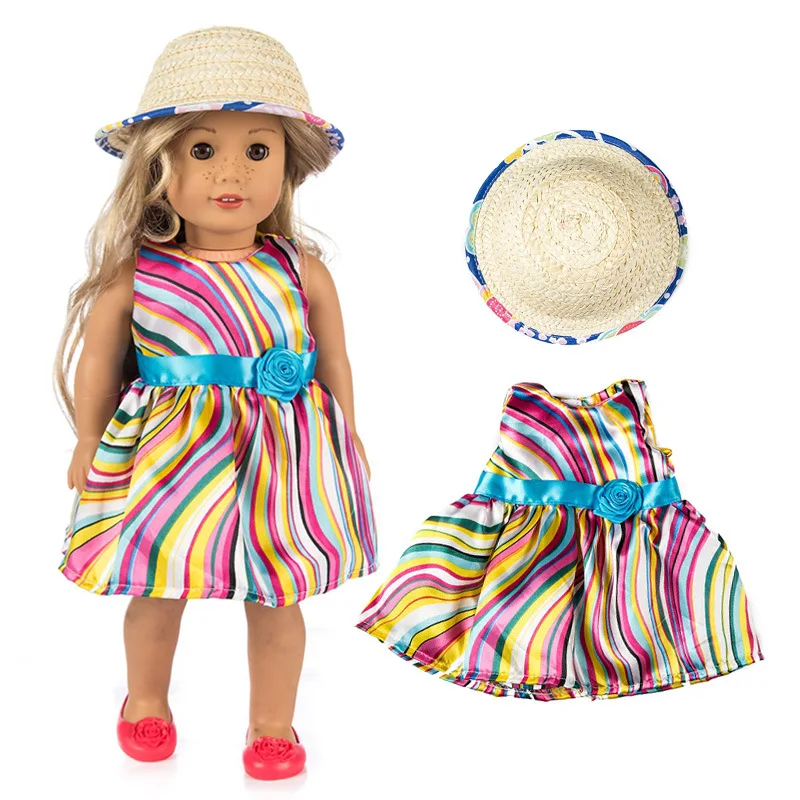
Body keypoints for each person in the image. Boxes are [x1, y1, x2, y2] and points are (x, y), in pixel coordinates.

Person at [54, 26, 377, 781]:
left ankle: (273, 724)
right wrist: (88, 440)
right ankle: (145, 700)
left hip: (282, 455)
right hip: (172, 456)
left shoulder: (303, 271)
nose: (232, 171)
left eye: (258, 150)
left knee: (278, 593)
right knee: (157, 583)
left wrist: (348, 435)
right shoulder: (139, 273)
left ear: (287, 166)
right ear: (158, 164)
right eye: (202, 150)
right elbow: (98, 361)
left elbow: (335, 359)